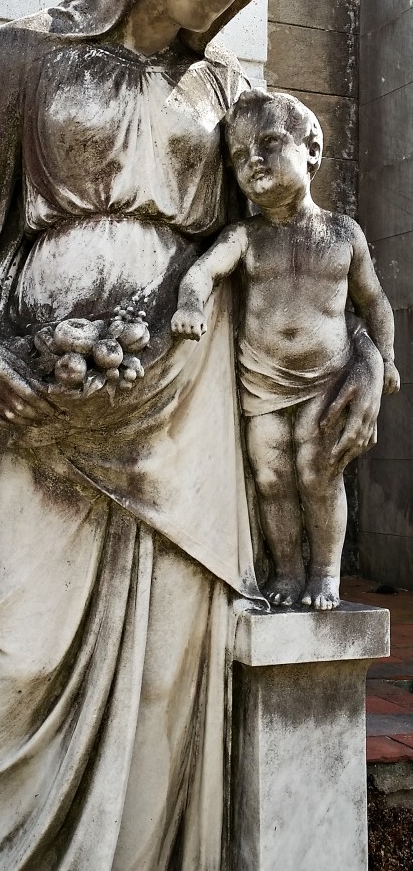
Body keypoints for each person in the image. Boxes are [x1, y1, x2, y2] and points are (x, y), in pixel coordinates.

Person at [0, 0, 383, 868]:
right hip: (45, 399)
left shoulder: (232, 95)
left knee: (172, 668)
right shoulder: (24, 57)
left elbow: (304, 253)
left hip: (190, 411)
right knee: (20, 658)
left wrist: (359, 364)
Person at [172, 89, 399, 610]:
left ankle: (324, 573)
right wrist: (190, 304)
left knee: (318, 471)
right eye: (238, 155)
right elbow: (203, 272)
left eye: (269, 143)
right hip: (263, 380)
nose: (253, 161)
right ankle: (288, 571)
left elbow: (376, 303)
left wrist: (384, 357)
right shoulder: (246, 235)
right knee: (272, 475)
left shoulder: (343, 233)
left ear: (312, 150)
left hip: (327, 377)